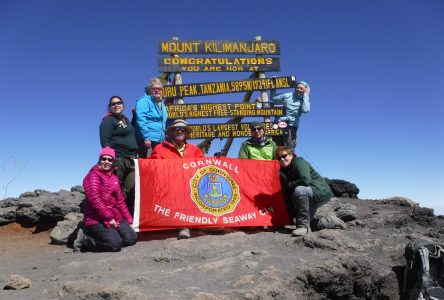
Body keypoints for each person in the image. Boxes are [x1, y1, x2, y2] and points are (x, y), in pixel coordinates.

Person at [149, 119, 204, 239]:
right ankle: (184, 226)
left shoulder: (194, 149)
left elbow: (203, 165)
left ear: (186, 133)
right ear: (172, 132)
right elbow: (150, 167)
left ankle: (206, 222)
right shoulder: (160, 148)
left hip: (190, 186)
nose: (180, 131)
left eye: (183, 129)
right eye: (177, 129)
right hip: (168, 188)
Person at [76, 147, 137, 252]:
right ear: (99, 159)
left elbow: (120, 201)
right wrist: (109, 218)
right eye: (104, 159)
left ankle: (111, 235)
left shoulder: (114, 177)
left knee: (131, 238)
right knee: (115, 245)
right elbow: (94, 199)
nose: (106, 162)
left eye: (110, 160)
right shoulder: (93, 175)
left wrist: (130, 221)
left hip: (115, 217)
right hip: (96, 219)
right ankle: (85, 240)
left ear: (113, 161)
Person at [275, 146, 333, 237]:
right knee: (307, 223)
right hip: (307, 195)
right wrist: (291, 216)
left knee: (299, 190)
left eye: (284, 156)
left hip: (318, 191)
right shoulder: (283, 171)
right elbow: (286, 194)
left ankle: (303, 227)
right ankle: (331, 222)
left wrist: (290, 185)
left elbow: (305, 180)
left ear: (291, 155)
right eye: (279, 158)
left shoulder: (299, 162)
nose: (282, 159)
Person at [100, 96, 138, 215]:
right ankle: (112, 216)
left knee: (130, 189)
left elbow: (129, 132)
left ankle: (125, 217)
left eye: (119, 103)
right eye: (113, 104)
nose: (116, 105)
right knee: (115, 190)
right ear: (110, 107)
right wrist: (112, 160)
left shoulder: (125, 120)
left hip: (132, 159)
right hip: (118, 159)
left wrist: (135, 117)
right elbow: (105, 144)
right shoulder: (108, 121)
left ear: (123, 105)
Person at [270, 81, 310, 149]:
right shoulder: (287, 95)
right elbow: (273, 97)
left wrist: (306, 95)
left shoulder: (303, 100)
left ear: (304, 90)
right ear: (295, 88)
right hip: (279, 124)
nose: (299, 90)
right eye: (298, 88)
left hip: (292, 127)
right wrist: (274, 85)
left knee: (289, 149)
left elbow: (306, 110)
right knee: (275, 147)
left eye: (301, 89)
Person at [135, 77, 168, 158]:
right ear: (150, 90)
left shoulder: (161, 103)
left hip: (159, 140)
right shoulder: (144, 101)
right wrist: (147, 137)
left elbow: (163, 121)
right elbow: (141, 120)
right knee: (148, 164)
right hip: (147, 140)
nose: (157, 90)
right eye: (154, 88)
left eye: (159, 88)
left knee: (157, 164)